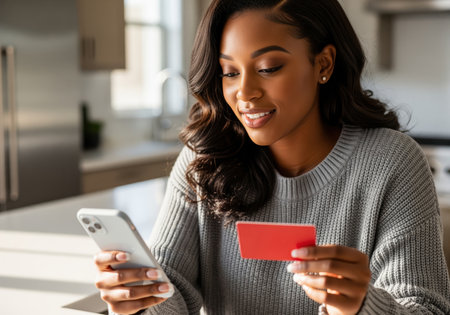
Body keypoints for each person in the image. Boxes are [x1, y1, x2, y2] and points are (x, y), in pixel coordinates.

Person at [93, 0, 450, 314]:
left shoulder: (392, 162)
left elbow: (424, 309)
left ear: (323, 63)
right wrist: (137, 301)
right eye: (230, 73)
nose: (244, 92)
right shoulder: (203, 162)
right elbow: (172, 297)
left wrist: (361, 306)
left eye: (268, 68)